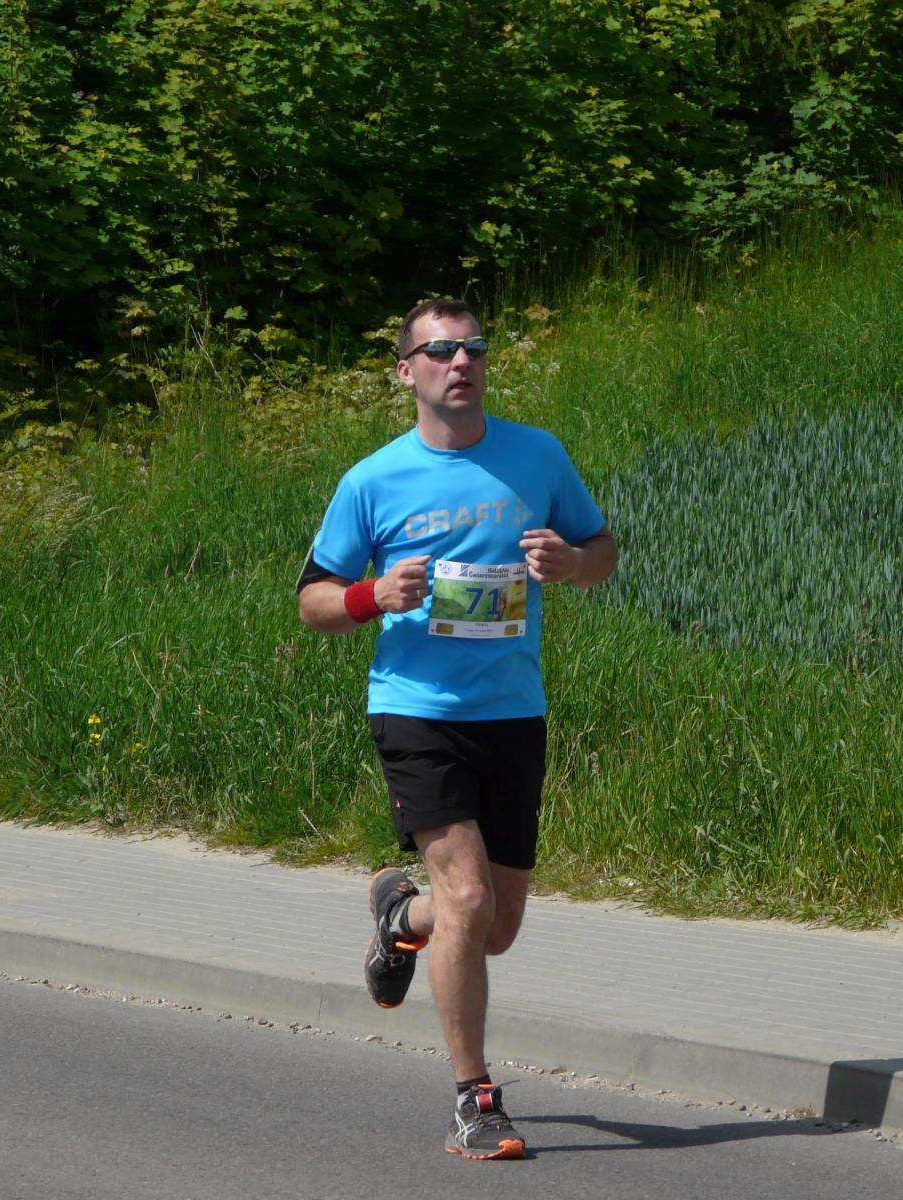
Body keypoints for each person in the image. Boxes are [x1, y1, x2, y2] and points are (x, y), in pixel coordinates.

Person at [297, 297, 617, 1160]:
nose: (461, 362)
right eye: (440, 351)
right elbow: (312, 601)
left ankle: (402, 913)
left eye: (473, 347)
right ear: (407, 371)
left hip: (513, 711)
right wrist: (372, 595)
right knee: (470, 902)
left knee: (494, 928)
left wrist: (572, 563)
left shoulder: (537, 455)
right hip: (417, 711)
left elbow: (603, 550)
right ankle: (474, 1101)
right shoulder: (373, 479)